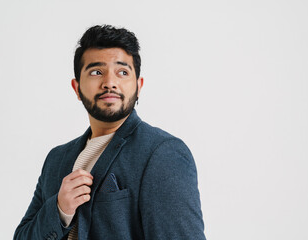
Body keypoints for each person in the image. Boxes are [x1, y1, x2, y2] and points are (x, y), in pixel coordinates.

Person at [14, 25, 205, 240]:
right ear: (76, 88)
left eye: (122, 72)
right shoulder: (56, 159)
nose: (110, 83)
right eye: (97, 72)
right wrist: (60, 210)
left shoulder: (162, 153)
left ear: (138, 86)